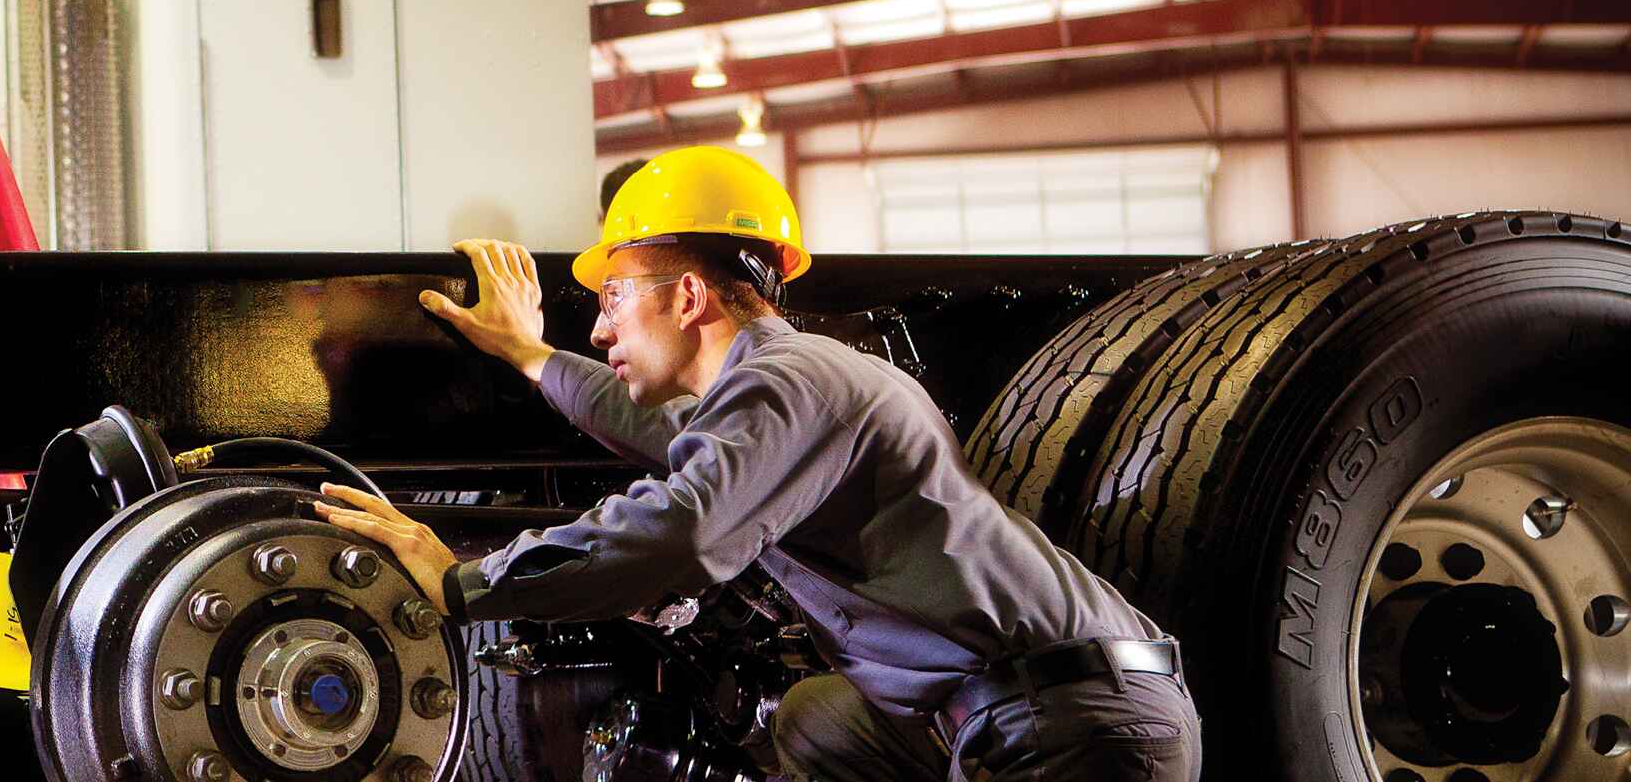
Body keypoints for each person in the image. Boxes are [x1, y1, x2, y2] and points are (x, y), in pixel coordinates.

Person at [314, 147, 1200, 781]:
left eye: (614, 298)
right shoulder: (782, 392)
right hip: (987, 718)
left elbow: (683, 530)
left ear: (690, 294)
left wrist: (464, 582)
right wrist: (532, 356)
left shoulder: (794, 381)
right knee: (818, 719)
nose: (601, 328)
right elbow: (654, 426)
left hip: (1077, 727)